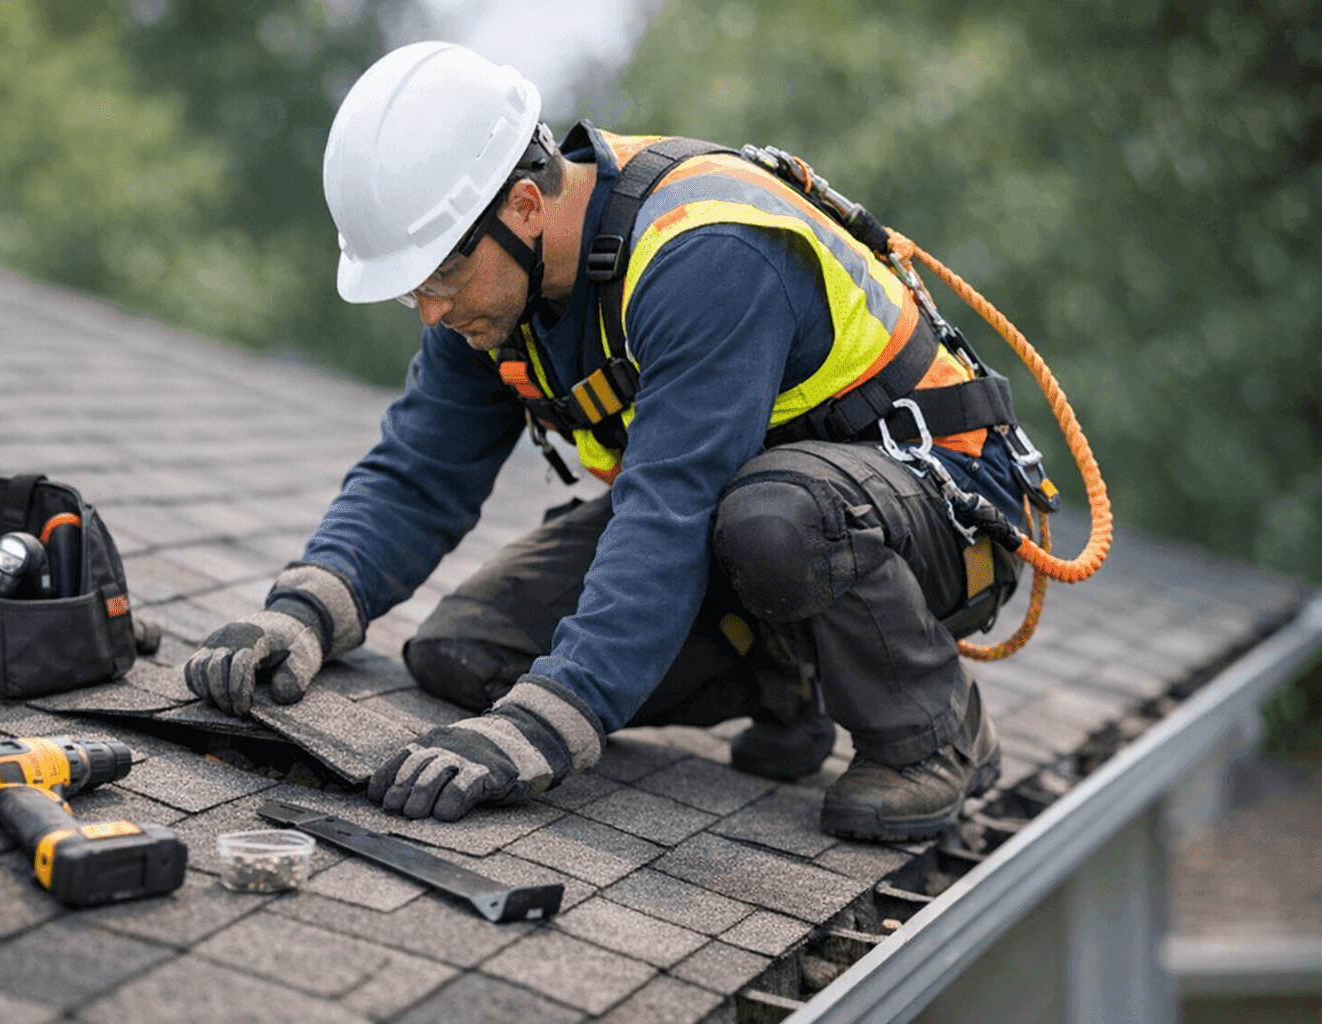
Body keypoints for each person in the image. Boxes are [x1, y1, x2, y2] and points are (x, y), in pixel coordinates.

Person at [184, 41, 1047, 842]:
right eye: (414, 288)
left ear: (525, 203)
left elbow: (668, 507)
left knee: (777, 522)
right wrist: (302, 612)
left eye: (442, 273)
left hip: (940, 505)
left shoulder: (706, 253)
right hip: (748, 513)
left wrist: (548, 725)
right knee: (467, 652)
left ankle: (934, 734)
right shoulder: (494, 295)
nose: (433, 311)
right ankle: (792, 673)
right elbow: (418, 472)